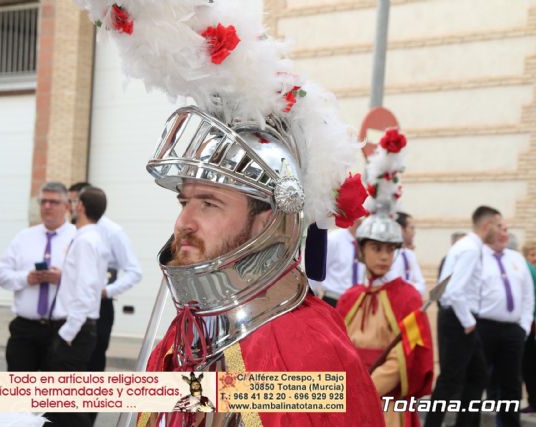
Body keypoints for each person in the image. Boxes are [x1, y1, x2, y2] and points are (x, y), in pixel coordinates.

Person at [76, 1, 385, 425]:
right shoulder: (185, 331)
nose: (184, 222)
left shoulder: (307, 346)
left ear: (267, 220)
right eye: (185, 201)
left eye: (209, 203)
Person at [337, 129, 433, 427]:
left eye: (389, 250)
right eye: (376, 248)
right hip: (349, 396)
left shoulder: (408, 297)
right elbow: (338, 349)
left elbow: (411, 351)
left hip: (386, 403)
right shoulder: (349, 297)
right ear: (362, 251)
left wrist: (369, 386)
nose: (383, 256)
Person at [68, 182, 142, 426]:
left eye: (74, 201)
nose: (71, 207)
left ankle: (86, 420)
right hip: (71, 307)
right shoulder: (70, 229)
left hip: (100, 307)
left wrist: (106, 291)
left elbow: (134, 271)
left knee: (92, 365)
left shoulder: (111, 231)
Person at [425, 205, 503, 427]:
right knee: (450, 380)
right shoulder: (470, 249)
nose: (499, 231)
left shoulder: (467, 245)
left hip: (459, 319)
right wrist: (468, 322)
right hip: (460, 320)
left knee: (477, 376)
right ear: (486, 225)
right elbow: (455, 290)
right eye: (497, 226)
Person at [45, 186, 110, 427]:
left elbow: (86, 288)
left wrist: (69, 331)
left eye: (74, 202)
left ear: (80, 207)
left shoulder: (85, 241)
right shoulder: (92, 239)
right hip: (79, 326)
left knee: (66, 403)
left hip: (76, 329)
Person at [0, 182, 76, 371]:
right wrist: (26, 278)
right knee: (19, 391)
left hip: (61, 329)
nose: (47, 206)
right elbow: (0, 274)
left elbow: (92, 283)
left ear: (66, 206)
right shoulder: (24, 237)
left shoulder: (79, 237)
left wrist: (63, 280)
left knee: (53, 395)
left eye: (53, 202)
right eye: (43, 202)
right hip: (25, 330)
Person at [476, 219, 533, 427]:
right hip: (484, 328)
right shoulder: (478, 257)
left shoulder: (516, 258)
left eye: (506, 229)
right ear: (486, 230)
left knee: (511, 385)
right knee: (477, 381)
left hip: (513, 331)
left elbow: (528, 295)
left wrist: (523, 327)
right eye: (499, 228)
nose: (503, 233)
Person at [309, 221, 365, 307]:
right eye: (359, 218)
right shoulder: (333, 240)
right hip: (334, 300)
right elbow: (316, 270)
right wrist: (313, 295)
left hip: (358, 302)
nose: (361, 221)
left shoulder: (367, 243)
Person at [390, 212, 426, 296]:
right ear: (401, 229)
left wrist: (407, 288)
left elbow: (422, 285)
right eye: (411, 228)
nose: (414, 232)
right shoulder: (390, 254)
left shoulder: (409, 254)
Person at [522, 241, 536, 413]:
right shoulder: (525, 273)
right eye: (532, 254)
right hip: (529, 326)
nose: (535, 258)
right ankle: (533, 401)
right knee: (529, 365)